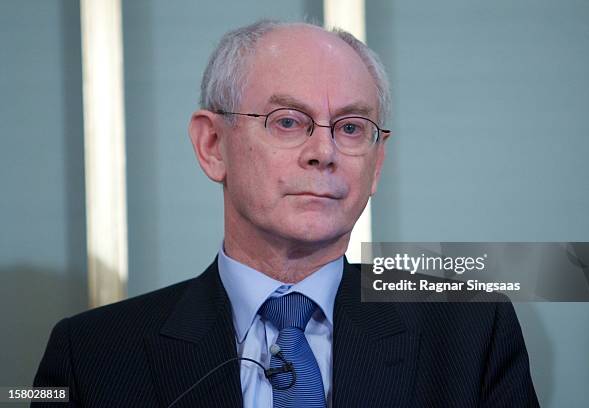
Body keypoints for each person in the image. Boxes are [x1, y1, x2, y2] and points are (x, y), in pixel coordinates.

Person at [33, 20, 539, 407]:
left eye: (351, 127)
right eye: (288, 121)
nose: (324, 151)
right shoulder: (91, 355)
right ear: (212, 145)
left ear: (377, 164)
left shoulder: (470, 330)